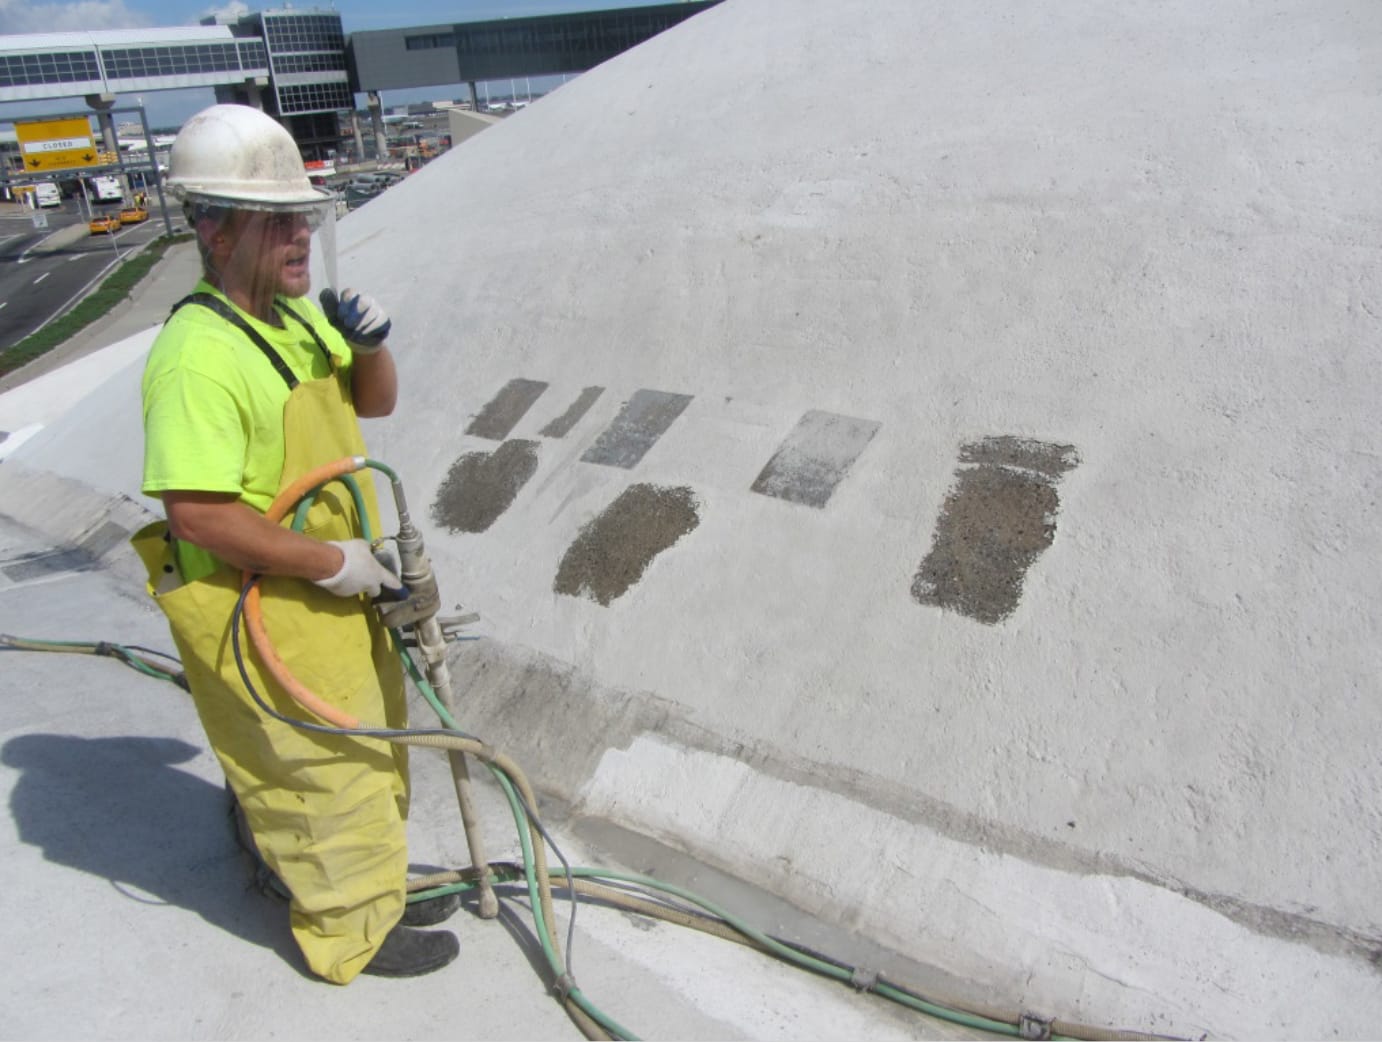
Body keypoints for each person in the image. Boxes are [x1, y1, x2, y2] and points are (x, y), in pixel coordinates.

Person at [131, 104, 458, 983]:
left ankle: (378, 889)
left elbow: (372, 402)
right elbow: (199, 516)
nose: (299, 238)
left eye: (303, 218)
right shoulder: (197, 358)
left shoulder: (297, 318)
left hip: (330, 588)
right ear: (213, 228)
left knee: (370, 749)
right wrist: (332, 562)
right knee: (318, 770)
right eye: (274, 221)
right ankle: (349, 931)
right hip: (262, 602)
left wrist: (370, 346)